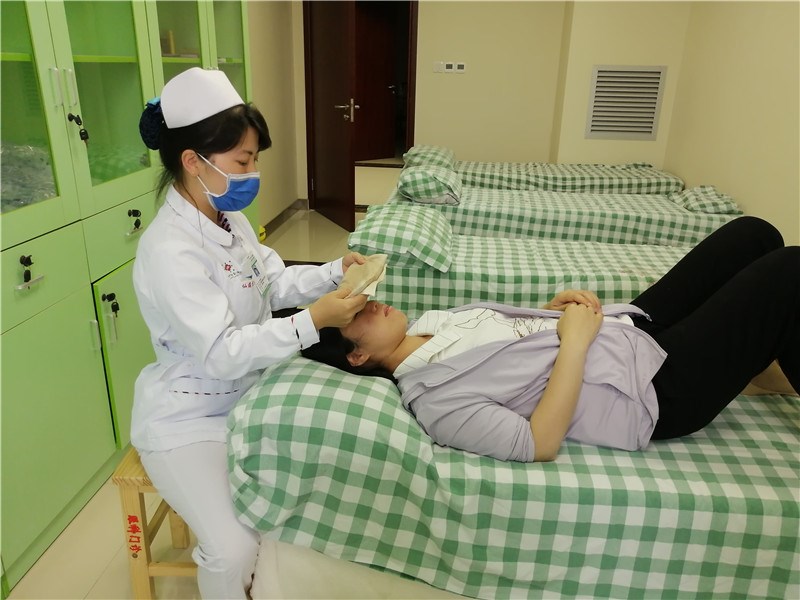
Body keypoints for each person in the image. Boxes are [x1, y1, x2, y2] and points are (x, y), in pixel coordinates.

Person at [132, 68, 368, 598]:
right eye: (243, 161)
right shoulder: (170, 249)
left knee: (297, 514)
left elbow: (272, 280)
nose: (253, 172)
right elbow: (220, 354)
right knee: (234, 548)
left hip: (251, 396)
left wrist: (336, 271)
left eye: (255, 159)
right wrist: (314, 321)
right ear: (193, 161)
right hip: (190, 417)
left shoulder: (227, 218)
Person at [302, 217, 799, 463]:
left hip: (625, 331)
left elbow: (513, 343)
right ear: (358, 356)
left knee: (753, 234)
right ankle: (760, 352)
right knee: (789, 273)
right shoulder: (436, 401)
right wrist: (575, 343)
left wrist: (549, 312)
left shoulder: (434, 323)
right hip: (649, 389)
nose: (372, 303)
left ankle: (757, 355)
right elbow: (538, 444)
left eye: (361, 298)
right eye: (358, 315)